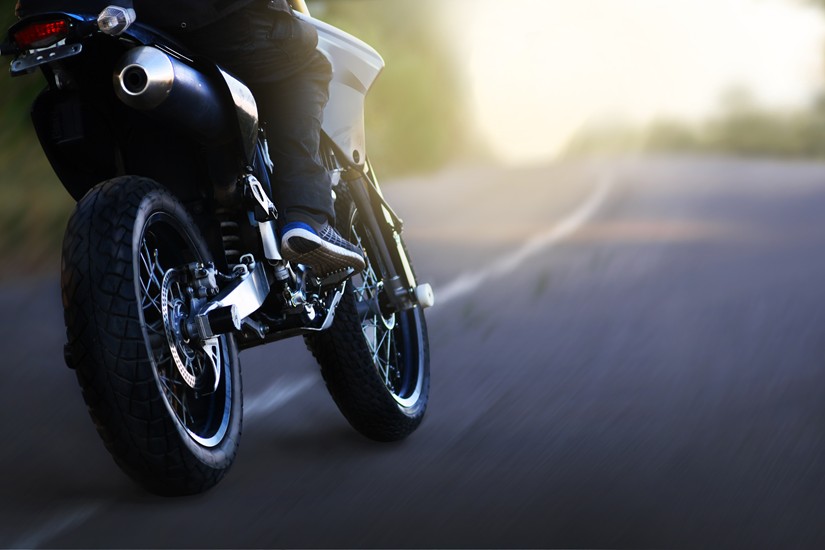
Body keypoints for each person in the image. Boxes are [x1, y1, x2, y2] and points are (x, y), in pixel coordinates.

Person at [16, 0, 366, 275]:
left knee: (138, 120)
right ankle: (307, 213)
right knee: (306, 65)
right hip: (185, 15)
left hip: (67, 19)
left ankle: (171, 252)